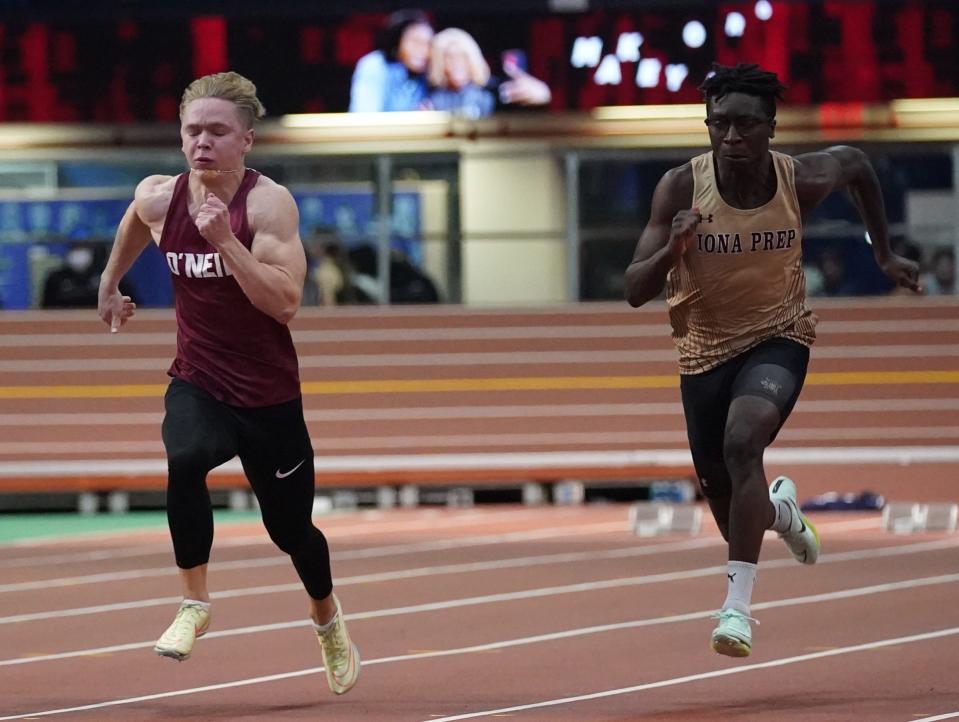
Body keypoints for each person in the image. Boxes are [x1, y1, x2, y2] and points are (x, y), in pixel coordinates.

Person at [623, 63, 919, 658]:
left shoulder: (799, 180)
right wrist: (672, 251)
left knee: (743, 442)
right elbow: (633, 288)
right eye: (719, 124)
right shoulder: (681, 188)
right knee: (733, 505)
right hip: (703, 352)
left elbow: (857, 164)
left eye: (744, 125)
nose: (730, 137)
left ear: (771, 128)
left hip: (779, 337)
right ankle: (782, 513)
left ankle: (736, 611)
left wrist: (883, 253)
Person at [96, 71, 360, 695]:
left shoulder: (269, 206)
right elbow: (137, 217)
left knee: (290, 531)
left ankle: (327, 620)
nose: (202, 142)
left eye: (217, 131)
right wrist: (110, 283)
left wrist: (224, 242)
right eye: (192, 130)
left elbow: (286, 303)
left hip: (268, 397)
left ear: (247, 140)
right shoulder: (162, 195)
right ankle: (195, 602)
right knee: (184, 457)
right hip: (199, 378)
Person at [427, 28, 496, 118]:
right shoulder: (434, 101)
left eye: (463, 56)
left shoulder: (488, 98)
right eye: (449, 57)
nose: (456, 62)